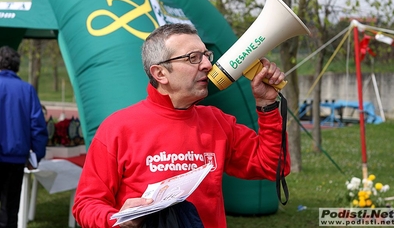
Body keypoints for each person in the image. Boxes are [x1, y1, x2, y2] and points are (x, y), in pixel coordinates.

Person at [73, 23, 291, 228]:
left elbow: (273, 165)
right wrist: (117, 220)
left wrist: (267, 104)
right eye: (193, 58)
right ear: (160, 73)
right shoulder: (118, 127)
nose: (207, 65)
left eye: (206, 55)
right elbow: (85, 204)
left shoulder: (218, 121)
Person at [0, 46, 48, 228]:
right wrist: (36, 155)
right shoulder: (26, 89)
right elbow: (38, 125)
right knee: (10, 210)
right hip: (16, 159)